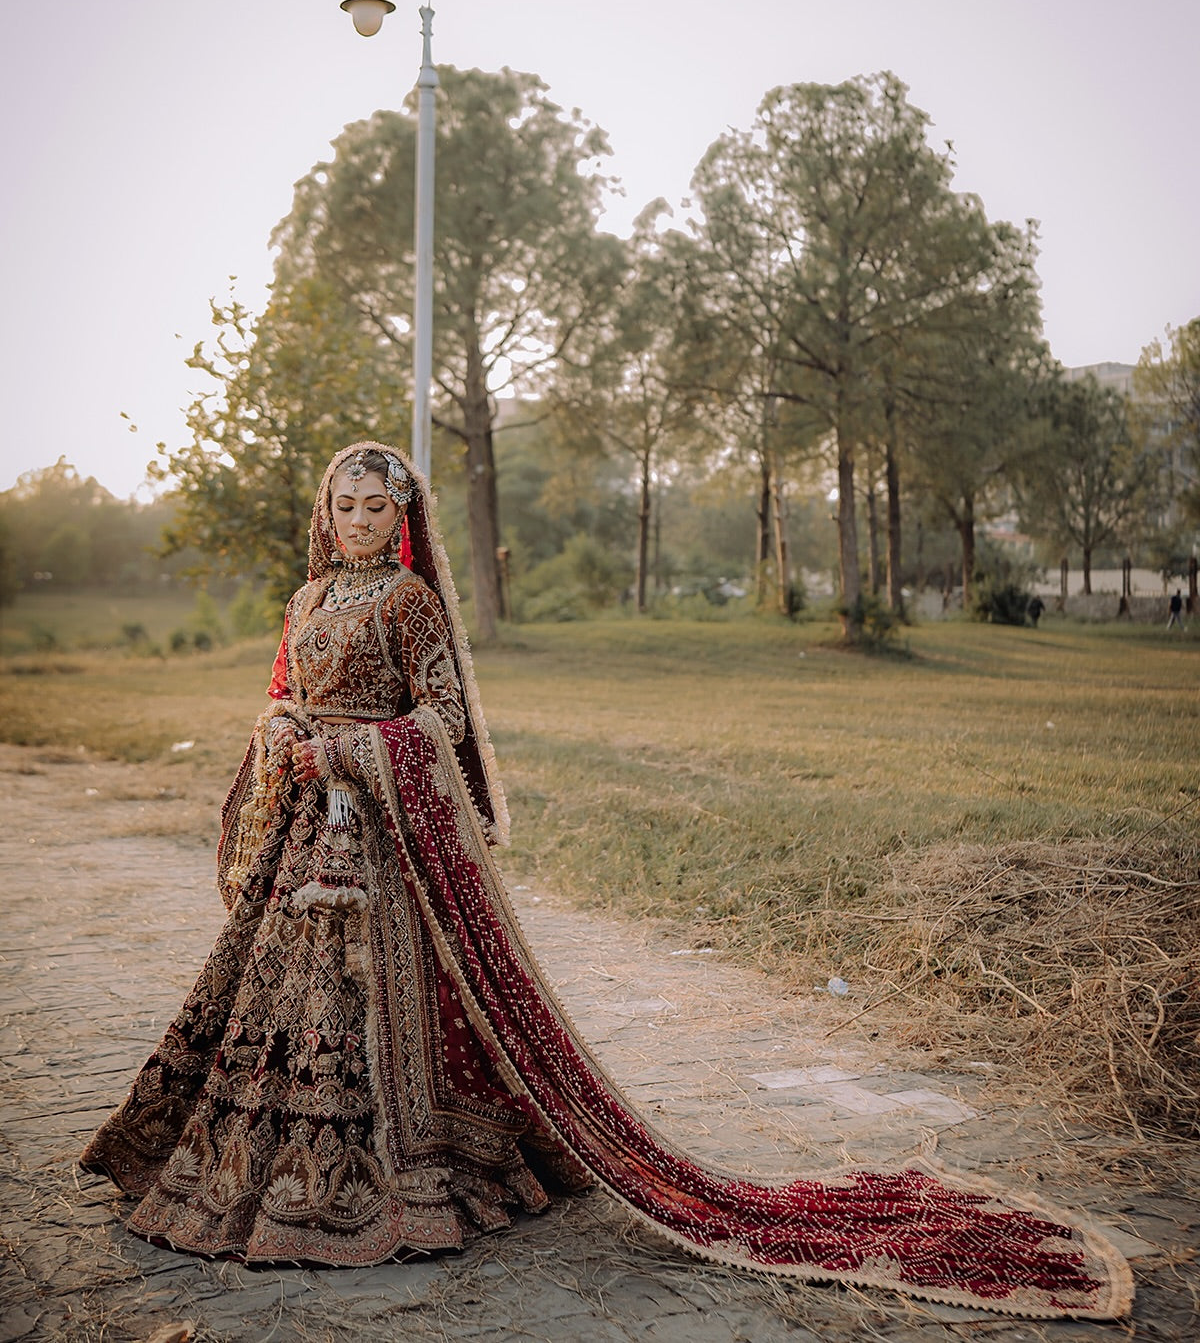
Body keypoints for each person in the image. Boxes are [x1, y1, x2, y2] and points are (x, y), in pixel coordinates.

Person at [82, 441, 1130, 1319]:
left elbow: (442, 723)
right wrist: (283, 734)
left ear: (401, 515)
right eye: (342, 504)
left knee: (386, 1005)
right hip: (311, 834)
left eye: (375, 505)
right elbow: (280, 691)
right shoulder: (307, 596)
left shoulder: (408, 604)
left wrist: (353, 755)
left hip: (384, 837)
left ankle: (411, 1178)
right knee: (291, 997)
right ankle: (265, 1172)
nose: (356, 519)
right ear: (327, 511)